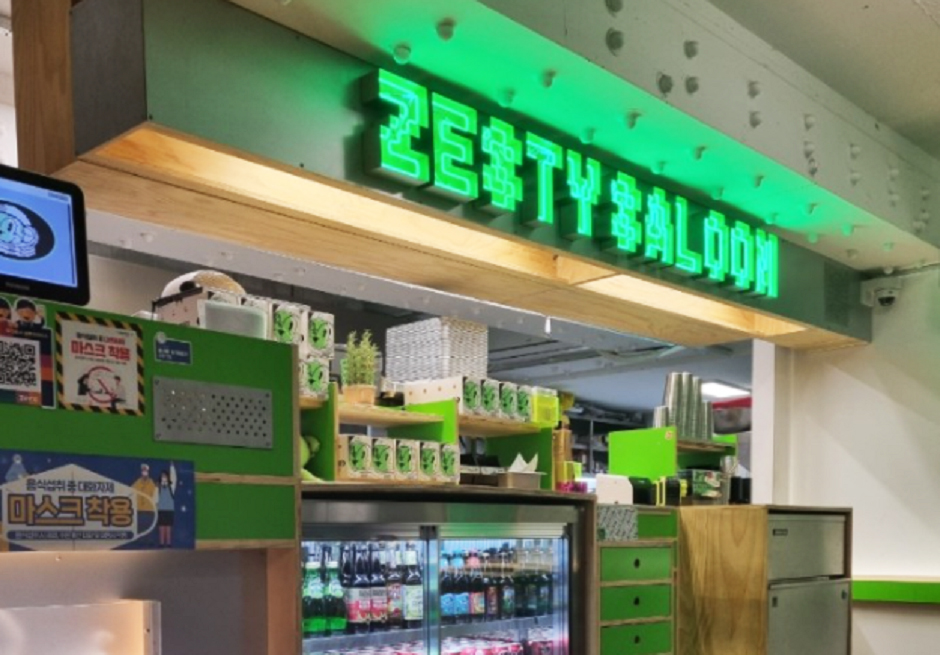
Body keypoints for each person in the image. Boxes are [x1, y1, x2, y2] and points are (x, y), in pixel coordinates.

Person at [132, 463, 158, 541]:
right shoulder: (137, 482)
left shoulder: (152, 483)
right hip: (139, 511)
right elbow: (131, 490)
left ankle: (149, 543)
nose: (144, 472)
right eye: (143, 470)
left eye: (145, 470)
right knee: (139, 530)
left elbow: (155, 497)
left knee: (148, 530)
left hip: (149, 511)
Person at [157, 467, 177, 547]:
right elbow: (155, 497)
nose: (164, 478)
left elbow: (174, 478)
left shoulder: (171, 487)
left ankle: (168, 544)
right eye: (162, 476)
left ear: (168, 478)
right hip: (161, 510)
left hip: (169, 510)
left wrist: (172, 467)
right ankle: (161, 543)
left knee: (168, 528)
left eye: (165, 476)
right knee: (161, 528)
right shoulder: (158, 487)